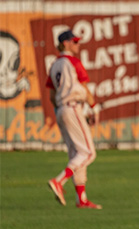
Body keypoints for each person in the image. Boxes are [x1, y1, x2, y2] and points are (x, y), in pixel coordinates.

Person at [46, 30, 102, 209]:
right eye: (75, 41)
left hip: (61, 109)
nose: (78, 44)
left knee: (76, 154)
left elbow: (51, 95)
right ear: (66, 44)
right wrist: (94, 108)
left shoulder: (54, 64)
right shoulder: (73, 62)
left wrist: (60, 109)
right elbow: (84, 88)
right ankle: (59, 181)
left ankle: (81, 199)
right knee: (88, 153)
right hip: (73, 107)